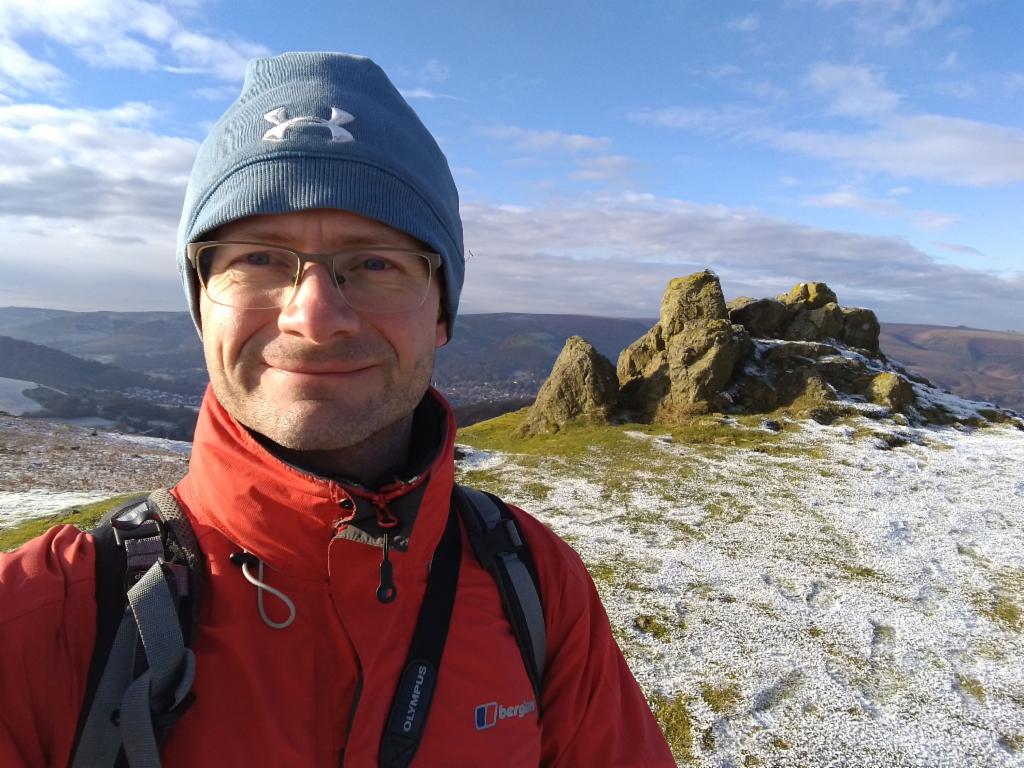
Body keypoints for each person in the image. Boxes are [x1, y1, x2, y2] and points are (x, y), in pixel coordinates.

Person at [0, 52, 675, 767]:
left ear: (442, 313)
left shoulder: (537, 585)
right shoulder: (39, 624)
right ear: (200, 307)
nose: (315, 318)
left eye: (376, 262)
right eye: (259, 259)